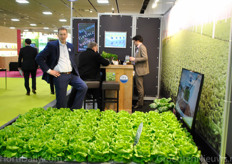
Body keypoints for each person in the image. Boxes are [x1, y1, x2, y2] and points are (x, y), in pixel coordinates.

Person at [36, 27, 88, 110]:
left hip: (71, 74)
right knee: (61, 101)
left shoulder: (70, 46)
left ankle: (75, 110)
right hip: (60, 76)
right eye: (61, 34)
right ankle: (61, 116)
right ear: (58, 35)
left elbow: (72, 60)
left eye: (64, 34)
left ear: (67, 35)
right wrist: (49, 71)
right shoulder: (51, 45)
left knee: (83, 87)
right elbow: (39, 58)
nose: (63, 36)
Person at [67, 42, 110, 110]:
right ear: (94, 48)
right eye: (97, 48)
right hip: (93, 79)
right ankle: (100, 106)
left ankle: (71, 106)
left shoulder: (81, 54)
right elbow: (106, 63)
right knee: (102, 79)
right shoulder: (95, 55)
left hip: (81, 78)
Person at [129, 35, 149, 109]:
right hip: (138, 69)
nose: (134, 43)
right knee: (139, 87)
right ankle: (140, 102)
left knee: (139, 87)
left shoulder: (142, 47)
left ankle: (140, 104)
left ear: (137, 40)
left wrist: (134, 59)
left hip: (140, 70)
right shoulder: (139, 48)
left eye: (134, 41)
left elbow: (145, 58)